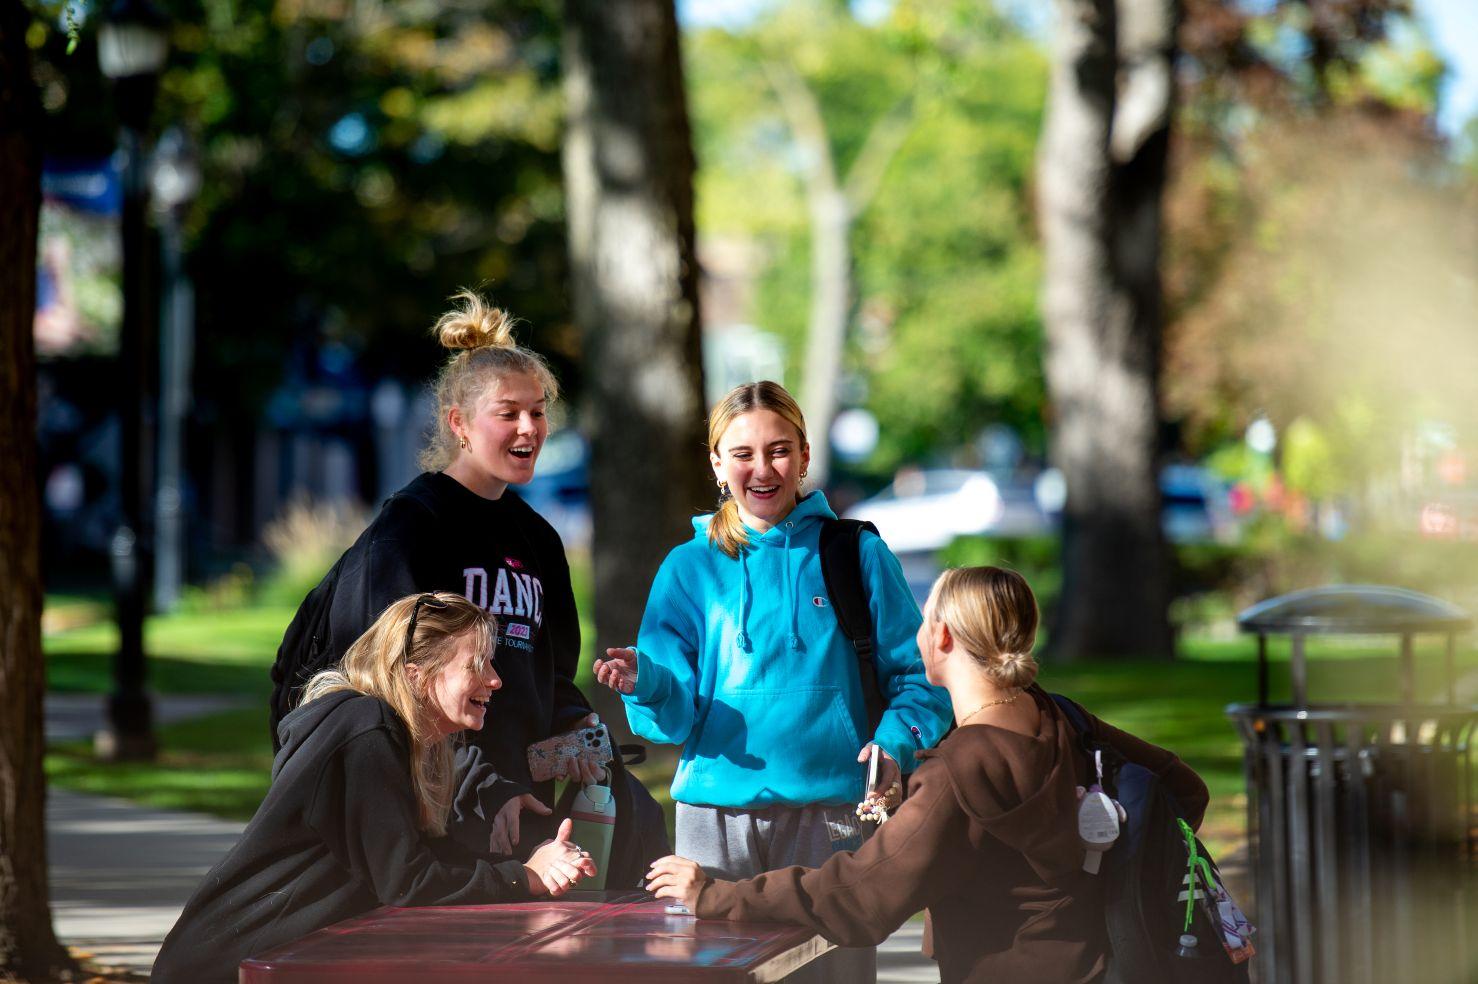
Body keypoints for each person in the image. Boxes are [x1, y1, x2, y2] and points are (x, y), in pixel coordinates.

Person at [643, 566, 1211, 984]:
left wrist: (714, 894)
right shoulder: (1060, 718)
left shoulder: (956, 772)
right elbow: (1184, 789)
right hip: (1097, 964)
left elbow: (860, 896)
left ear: (940, 637)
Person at [595, 380, 953, 983]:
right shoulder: (687, 567)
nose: (762, 469)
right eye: (743, 454)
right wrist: (647, 682)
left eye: (779, 450)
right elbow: (673, 721)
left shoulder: (857, 554)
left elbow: (923, 680)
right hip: (713, 821)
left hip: (832, 818)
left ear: (805, 456)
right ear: (717, 464)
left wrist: (892, 746)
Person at [268, 290, 599, 857]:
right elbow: (388, 682)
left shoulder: (540, 539)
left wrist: (577, 728)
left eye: (539, 411)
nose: (529, 428)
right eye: (508, 414)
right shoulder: (413, 526)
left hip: (520, 803)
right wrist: (482, 785)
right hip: (432, 805)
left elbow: (551, 674)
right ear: (459, 423)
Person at [154, 593, 597, 983]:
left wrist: (532, 866)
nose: (496, 679)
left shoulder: (400, 739)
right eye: (476, 664)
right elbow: (407, 882)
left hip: (269, 961)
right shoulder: (366, 729)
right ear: (416, 674)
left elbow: (431, 859)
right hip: (226, 968)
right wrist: (525, 877)